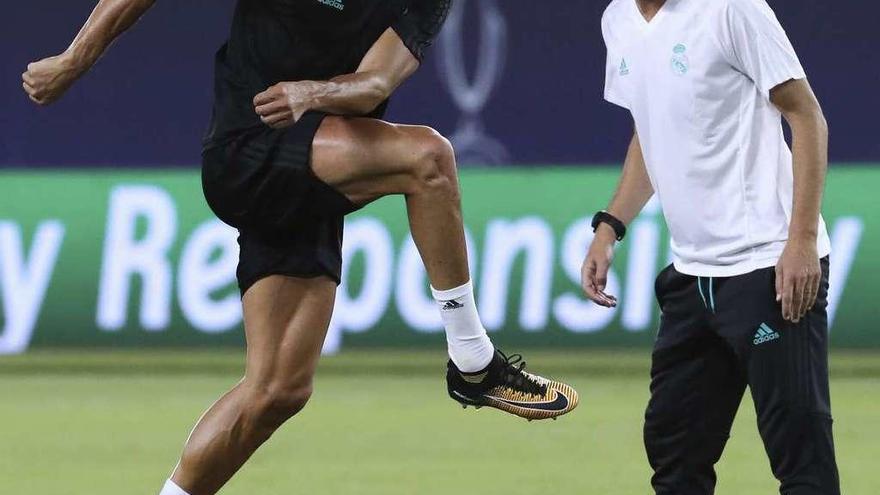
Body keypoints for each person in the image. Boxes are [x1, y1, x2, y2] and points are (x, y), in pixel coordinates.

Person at [22, 1, 578, 494]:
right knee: (428, 159)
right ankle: (473, 358)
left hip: (312, 162)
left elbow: (376, 82)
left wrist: (312, 92)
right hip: (247, 144)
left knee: (277, 390)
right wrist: (75, 59)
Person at [584, 0, 839, 493]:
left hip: (768, 268)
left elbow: (807, 116)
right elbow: (652, 128)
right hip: (691, 280)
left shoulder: (733, 9)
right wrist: (611, 225)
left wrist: (802, 241)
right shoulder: (617, 21)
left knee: (801, 464)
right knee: (674, 457)